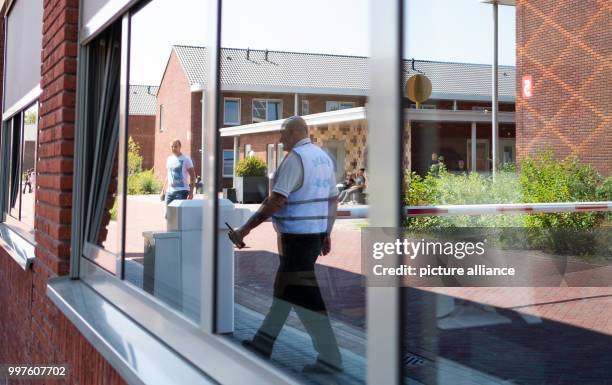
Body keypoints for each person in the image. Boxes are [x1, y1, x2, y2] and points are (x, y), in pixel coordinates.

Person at [229, 116, 343, 374]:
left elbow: (276, 201)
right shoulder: (323, 158)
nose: (280, 140)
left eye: (283, 134)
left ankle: (331, 358)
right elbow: (333, 200)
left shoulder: (295, 160)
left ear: (295, 132)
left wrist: (245, 229)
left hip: (296, 240)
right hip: (313, 238)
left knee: (306, 298)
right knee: (285, 293)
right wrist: (327, 232)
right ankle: (262, 344)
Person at [160, 139, 196, 206]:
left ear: (180, 147)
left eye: (175, 146)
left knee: (180, 215)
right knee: (168, 215)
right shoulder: (169, 159)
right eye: (172, 146)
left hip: (182, 192)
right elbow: (168, 175)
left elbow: (193, 176)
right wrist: (163, 190)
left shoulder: (186, 159)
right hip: (170, 192)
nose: (173, 148)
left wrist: (191, 192)